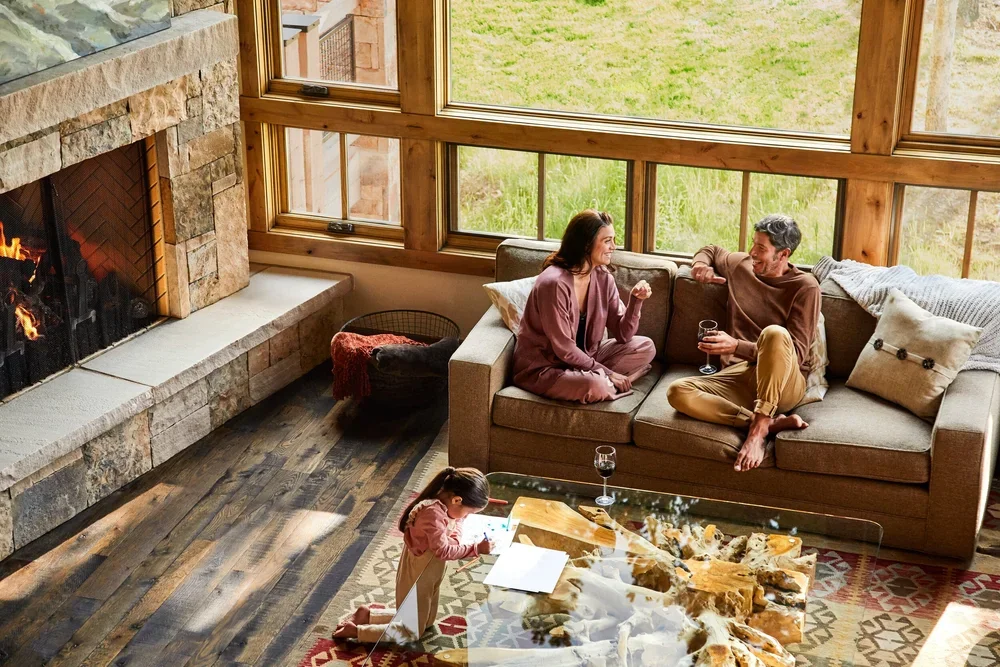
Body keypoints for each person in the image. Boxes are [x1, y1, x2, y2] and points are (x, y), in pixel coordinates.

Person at [666, 214, 820, 473]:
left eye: (761, 248)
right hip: (740, 377)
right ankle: (766, 423)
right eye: (753, 244)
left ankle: (758, 432)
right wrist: (699, 265)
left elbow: (797, 352)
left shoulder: (805, 288)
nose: (752, 252)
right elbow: (711, 250)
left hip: (784, 382)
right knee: (677, 392)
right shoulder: (741, 266)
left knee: (774, 334)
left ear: (783, 254)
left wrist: (736, 346)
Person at [513, 209, 656, 404]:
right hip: (547, 367)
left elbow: (624, 335)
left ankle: (596, 380)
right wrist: (608, 373)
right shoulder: (554, 284)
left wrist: (635, 302)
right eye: (607, 241)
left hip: (585, 359)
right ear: (586, 244)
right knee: (596, 386)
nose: (613, 247)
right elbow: (564, 349)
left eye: (614, 240)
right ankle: (605, 383)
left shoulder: (603, 277)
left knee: (646, 346)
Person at [332, 467, 491, 642]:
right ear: (457, 500)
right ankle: (358, 632)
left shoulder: (445, 505)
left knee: (427, 620)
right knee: (412, 632)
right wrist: (475, 548)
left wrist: (457, 529)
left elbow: (454, 527)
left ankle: (369, 614)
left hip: (431, 571)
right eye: (468, 512)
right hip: (420, 572)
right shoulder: (432, 515)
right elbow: (444, 550)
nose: (465, 517)